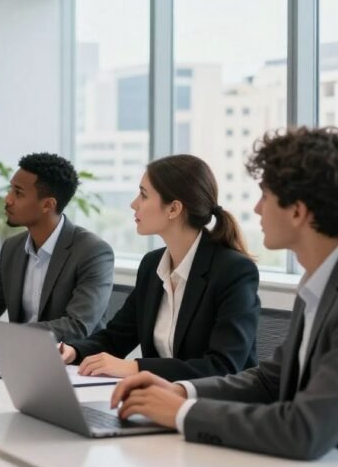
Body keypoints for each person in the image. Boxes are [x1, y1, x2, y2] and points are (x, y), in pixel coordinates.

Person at [110, 127, 338, 467]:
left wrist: (182, 412)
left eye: (265, 196)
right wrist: (183, 391)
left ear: (298, 212)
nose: (256, 209)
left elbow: (304, 429)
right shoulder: (323, 278)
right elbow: (270, 379)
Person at [58, 154, 260, 381]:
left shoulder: (233, 271)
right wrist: (73, 351)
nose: (133, 204)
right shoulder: (151, 265)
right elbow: (116, 338)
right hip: (162, 401)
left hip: (217, 407)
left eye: (143, 195)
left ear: (173, 209)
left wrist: (135, 368)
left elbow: (223, 366)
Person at [0, 152, 114, 341]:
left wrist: (2, 333)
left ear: (48, 205)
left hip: (72, 364)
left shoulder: (92, 251)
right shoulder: (12, 247)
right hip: (18, 356)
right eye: (10, 189)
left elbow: (77, 325)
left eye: (18, 193)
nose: (7, 199)